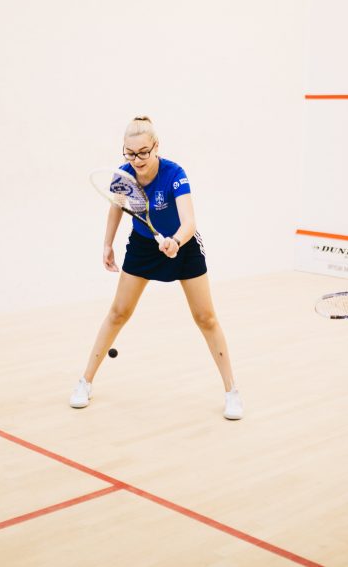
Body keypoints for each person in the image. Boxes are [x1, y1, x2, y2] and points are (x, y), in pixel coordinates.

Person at [69, 116, 243, 419]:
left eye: (143, 152)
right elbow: (116, 208)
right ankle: (85, 382)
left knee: (206, 318)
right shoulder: (123, 175)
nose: (136, 160)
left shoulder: (175, 174)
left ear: (156, 147)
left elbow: (189, 221)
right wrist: (107, 244)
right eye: (130, 153)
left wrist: (175, 241)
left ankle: (232, 392)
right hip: (142, 246)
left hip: (183, 246)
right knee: (118, 313)